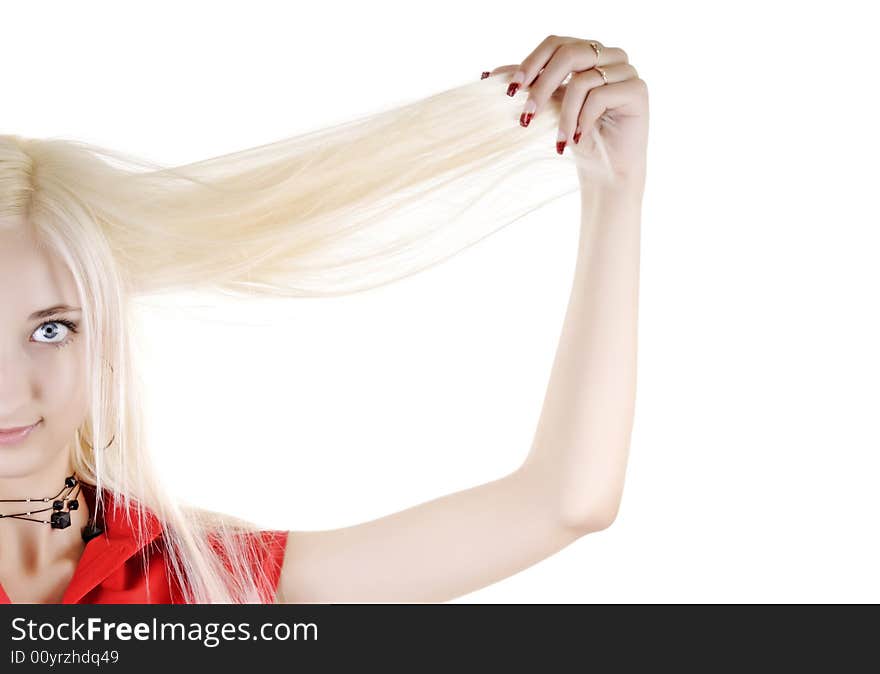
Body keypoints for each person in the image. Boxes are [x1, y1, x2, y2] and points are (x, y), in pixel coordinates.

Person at [0, 34, 648, 603]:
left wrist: (614, 186)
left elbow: (565, 503)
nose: (9, 389)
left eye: (51, 329)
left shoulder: (202, 578)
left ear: (105, 336)